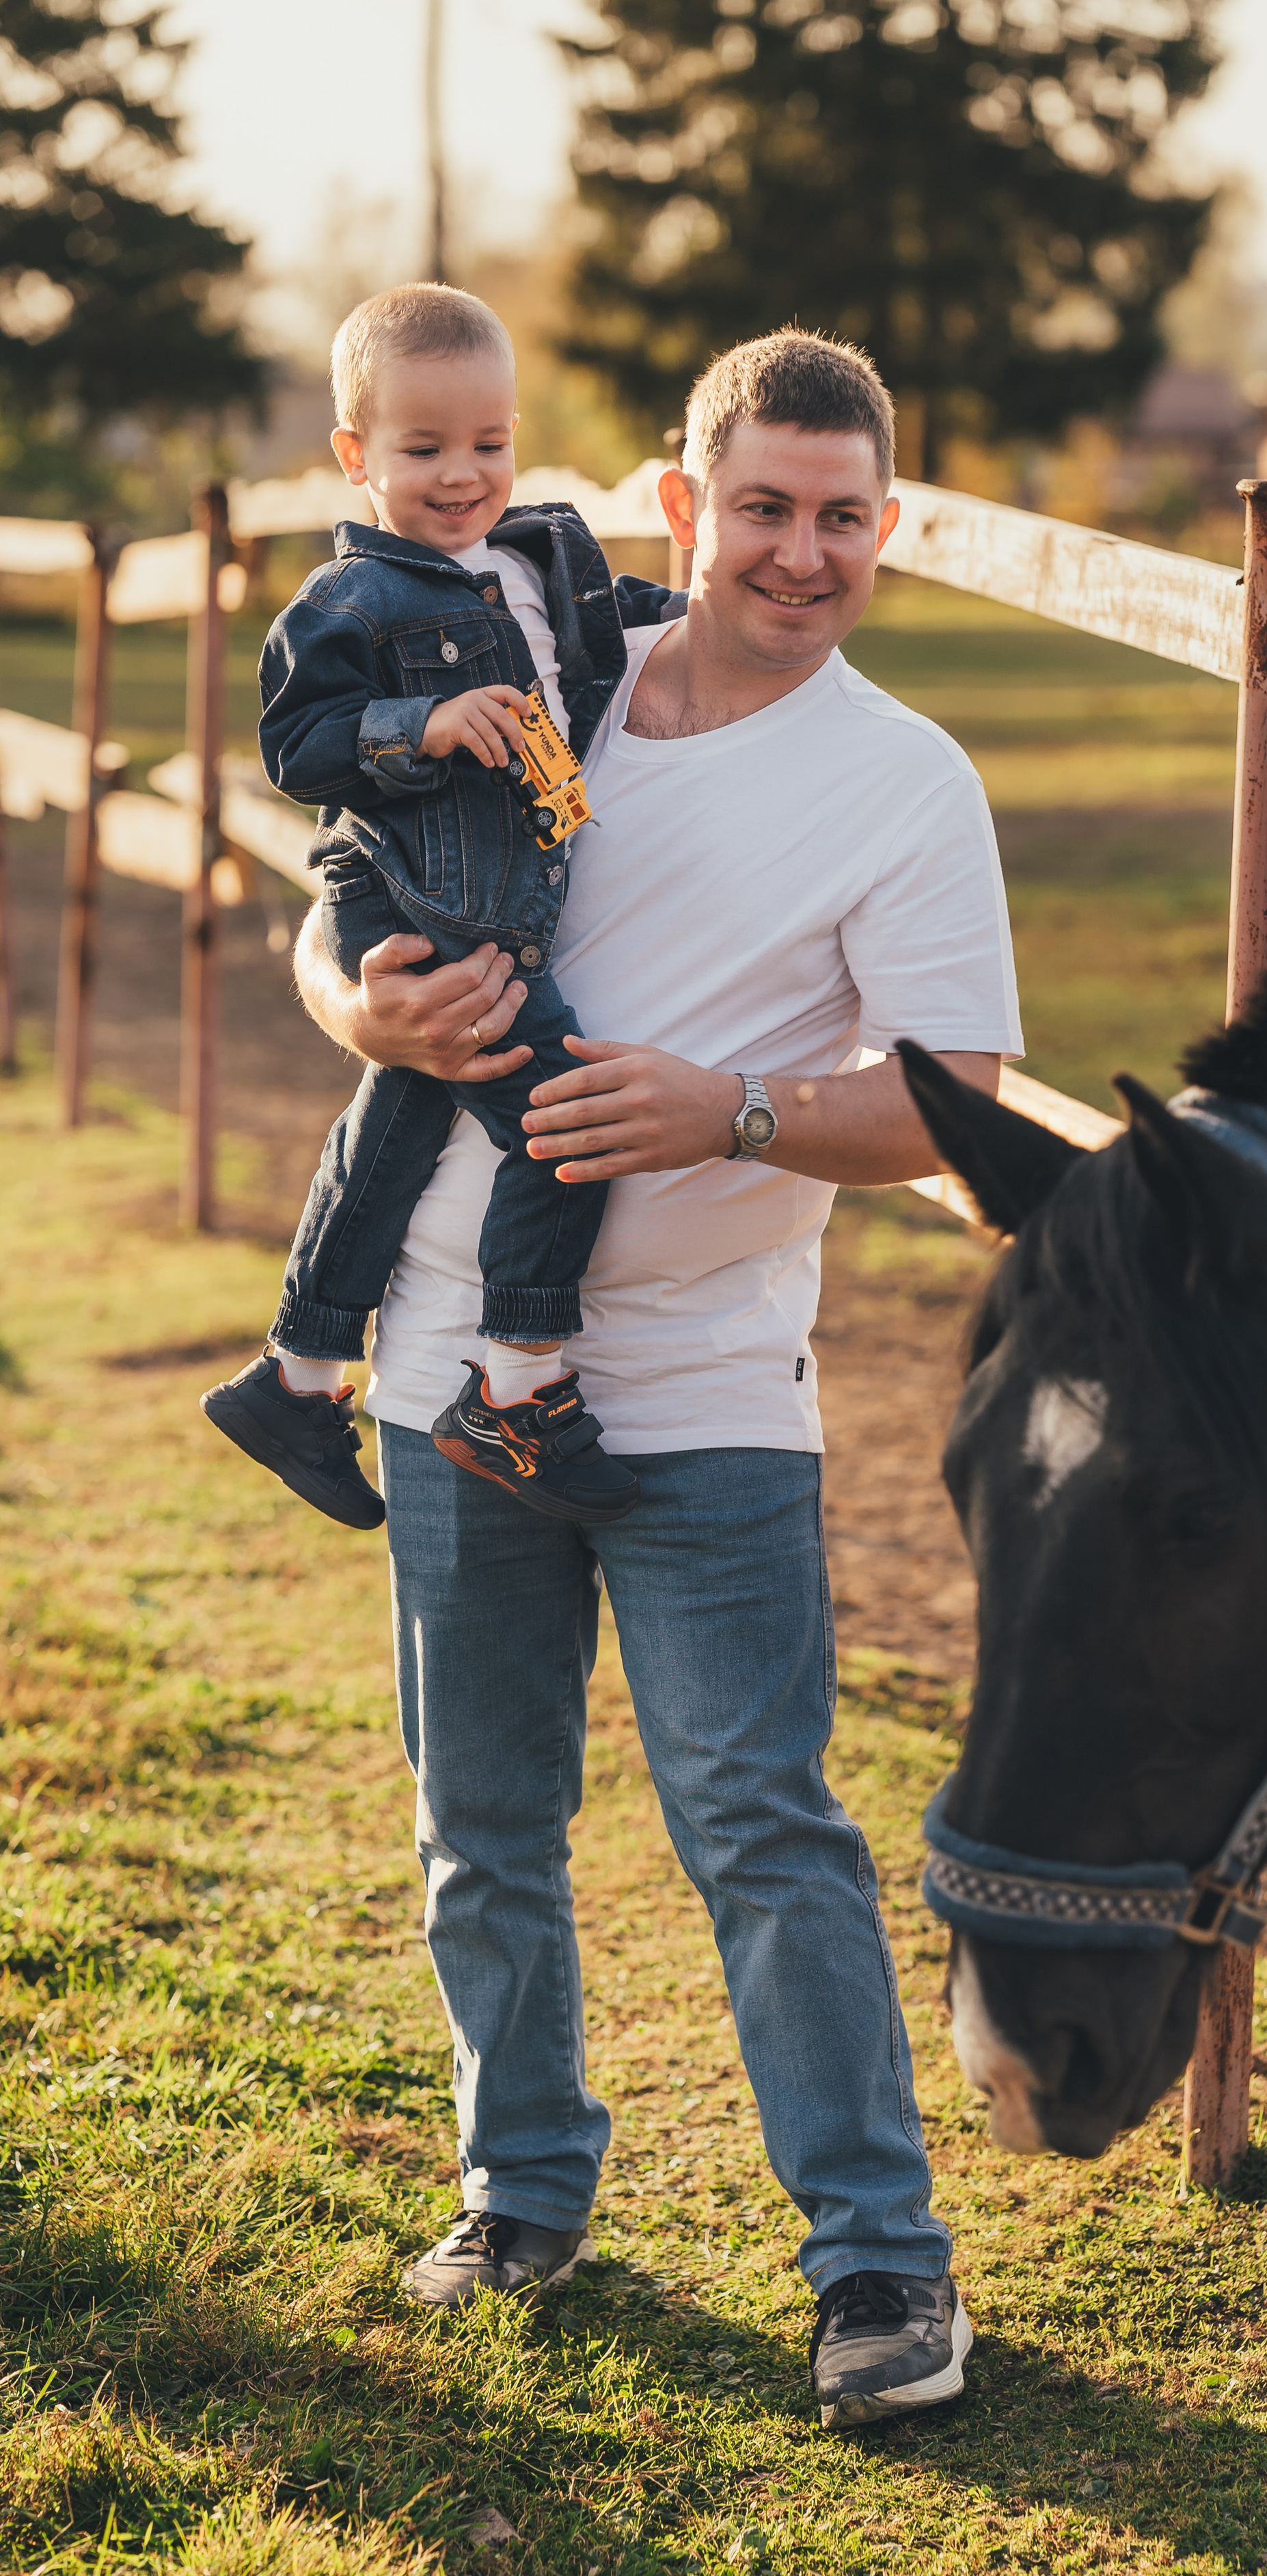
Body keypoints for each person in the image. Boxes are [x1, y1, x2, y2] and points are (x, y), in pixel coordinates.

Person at [290, 327, 1022, 2429]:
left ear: (887, 528)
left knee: (762, 1826)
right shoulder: (544, 668)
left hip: (703, 1391)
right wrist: (357, 1011)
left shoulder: (907, 779)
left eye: (843, 517)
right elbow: (341, 883)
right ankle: (520, 2193)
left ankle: (878, 2266)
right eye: (763, 507)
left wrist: (735, 1110)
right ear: (684, 505)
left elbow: (960, 1097)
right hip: (448, 1359)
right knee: (482, 1823)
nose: (801, 553)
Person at [203, 284, 680, 1532]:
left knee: (404, 1124)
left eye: (490, 442)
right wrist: (419, 724)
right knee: (567, 1127)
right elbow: (296, 746)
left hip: (494, 898)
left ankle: (298, 1375)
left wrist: (713, 621)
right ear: (356, 455)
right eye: (424, 449)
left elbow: (617, 628)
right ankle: (517, 1387)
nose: (463, 475)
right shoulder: (347, 602)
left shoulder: (541, 553)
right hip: (413, 902)